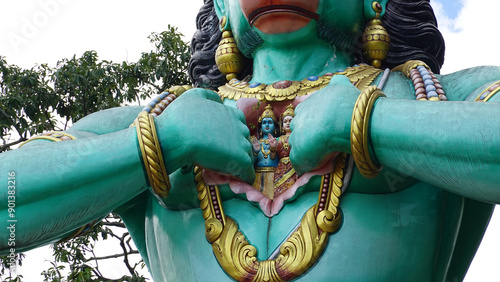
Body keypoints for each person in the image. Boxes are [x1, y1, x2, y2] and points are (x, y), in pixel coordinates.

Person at [1, 0, 500, 281]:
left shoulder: (430, 97)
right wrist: (156, 144)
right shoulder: (161, 117)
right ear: (220, 6)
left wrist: (368, 122)